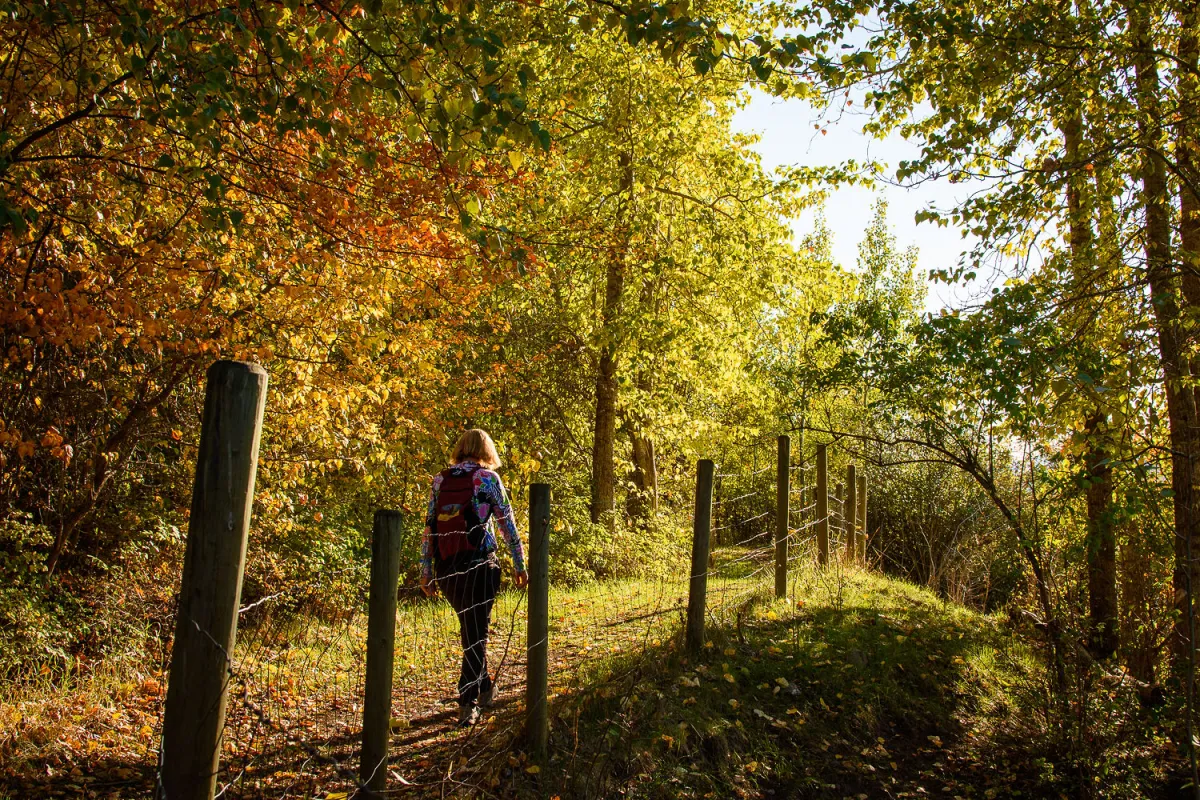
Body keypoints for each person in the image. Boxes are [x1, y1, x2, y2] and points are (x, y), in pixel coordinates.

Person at [420, 428, 528, 727]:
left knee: (471, 630)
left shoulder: (441, 479)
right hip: (481, 564)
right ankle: (466, 701)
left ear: (460, 449)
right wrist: (520, 564)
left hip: (447, 566)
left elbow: (430, 525)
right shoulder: (489, 479)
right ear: (487, 450)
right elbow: (507, 523)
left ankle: (484, 686)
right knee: (476, 633)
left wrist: (426, 571)